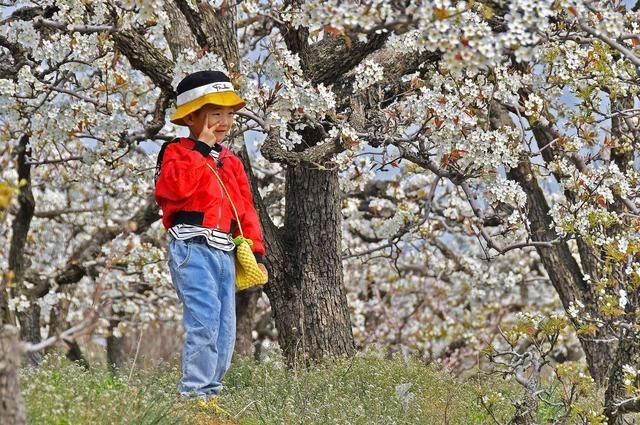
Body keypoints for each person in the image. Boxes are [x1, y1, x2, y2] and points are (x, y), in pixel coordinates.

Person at [154, 70, 267, 404]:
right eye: (214, 114)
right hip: (192, 246)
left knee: (224, 329)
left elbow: (244, 208)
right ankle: (194, 395)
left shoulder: (230, 161)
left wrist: (256, 252)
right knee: (203, 321)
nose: (224, 121)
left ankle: (210, 394)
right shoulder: (176, 152)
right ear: (191, 117)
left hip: (224, 252)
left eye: (229, 114)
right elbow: (173, 190)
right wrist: (201, 149)